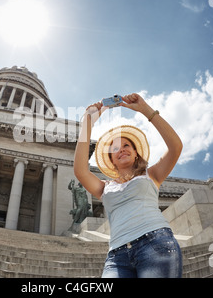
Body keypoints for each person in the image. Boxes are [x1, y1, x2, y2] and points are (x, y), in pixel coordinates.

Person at [73, 93, 183, 278]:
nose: (121, 149)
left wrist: (146, 110)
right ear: (111, 160)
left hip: (155, 243)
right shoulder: (104, 187)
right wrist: (87, 124)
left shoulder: (152, 174)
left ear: (135, 153)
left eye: (126, 145)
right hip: (117, 256)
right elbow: (80, 171)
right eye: (115, 149)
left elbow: (175, 146)